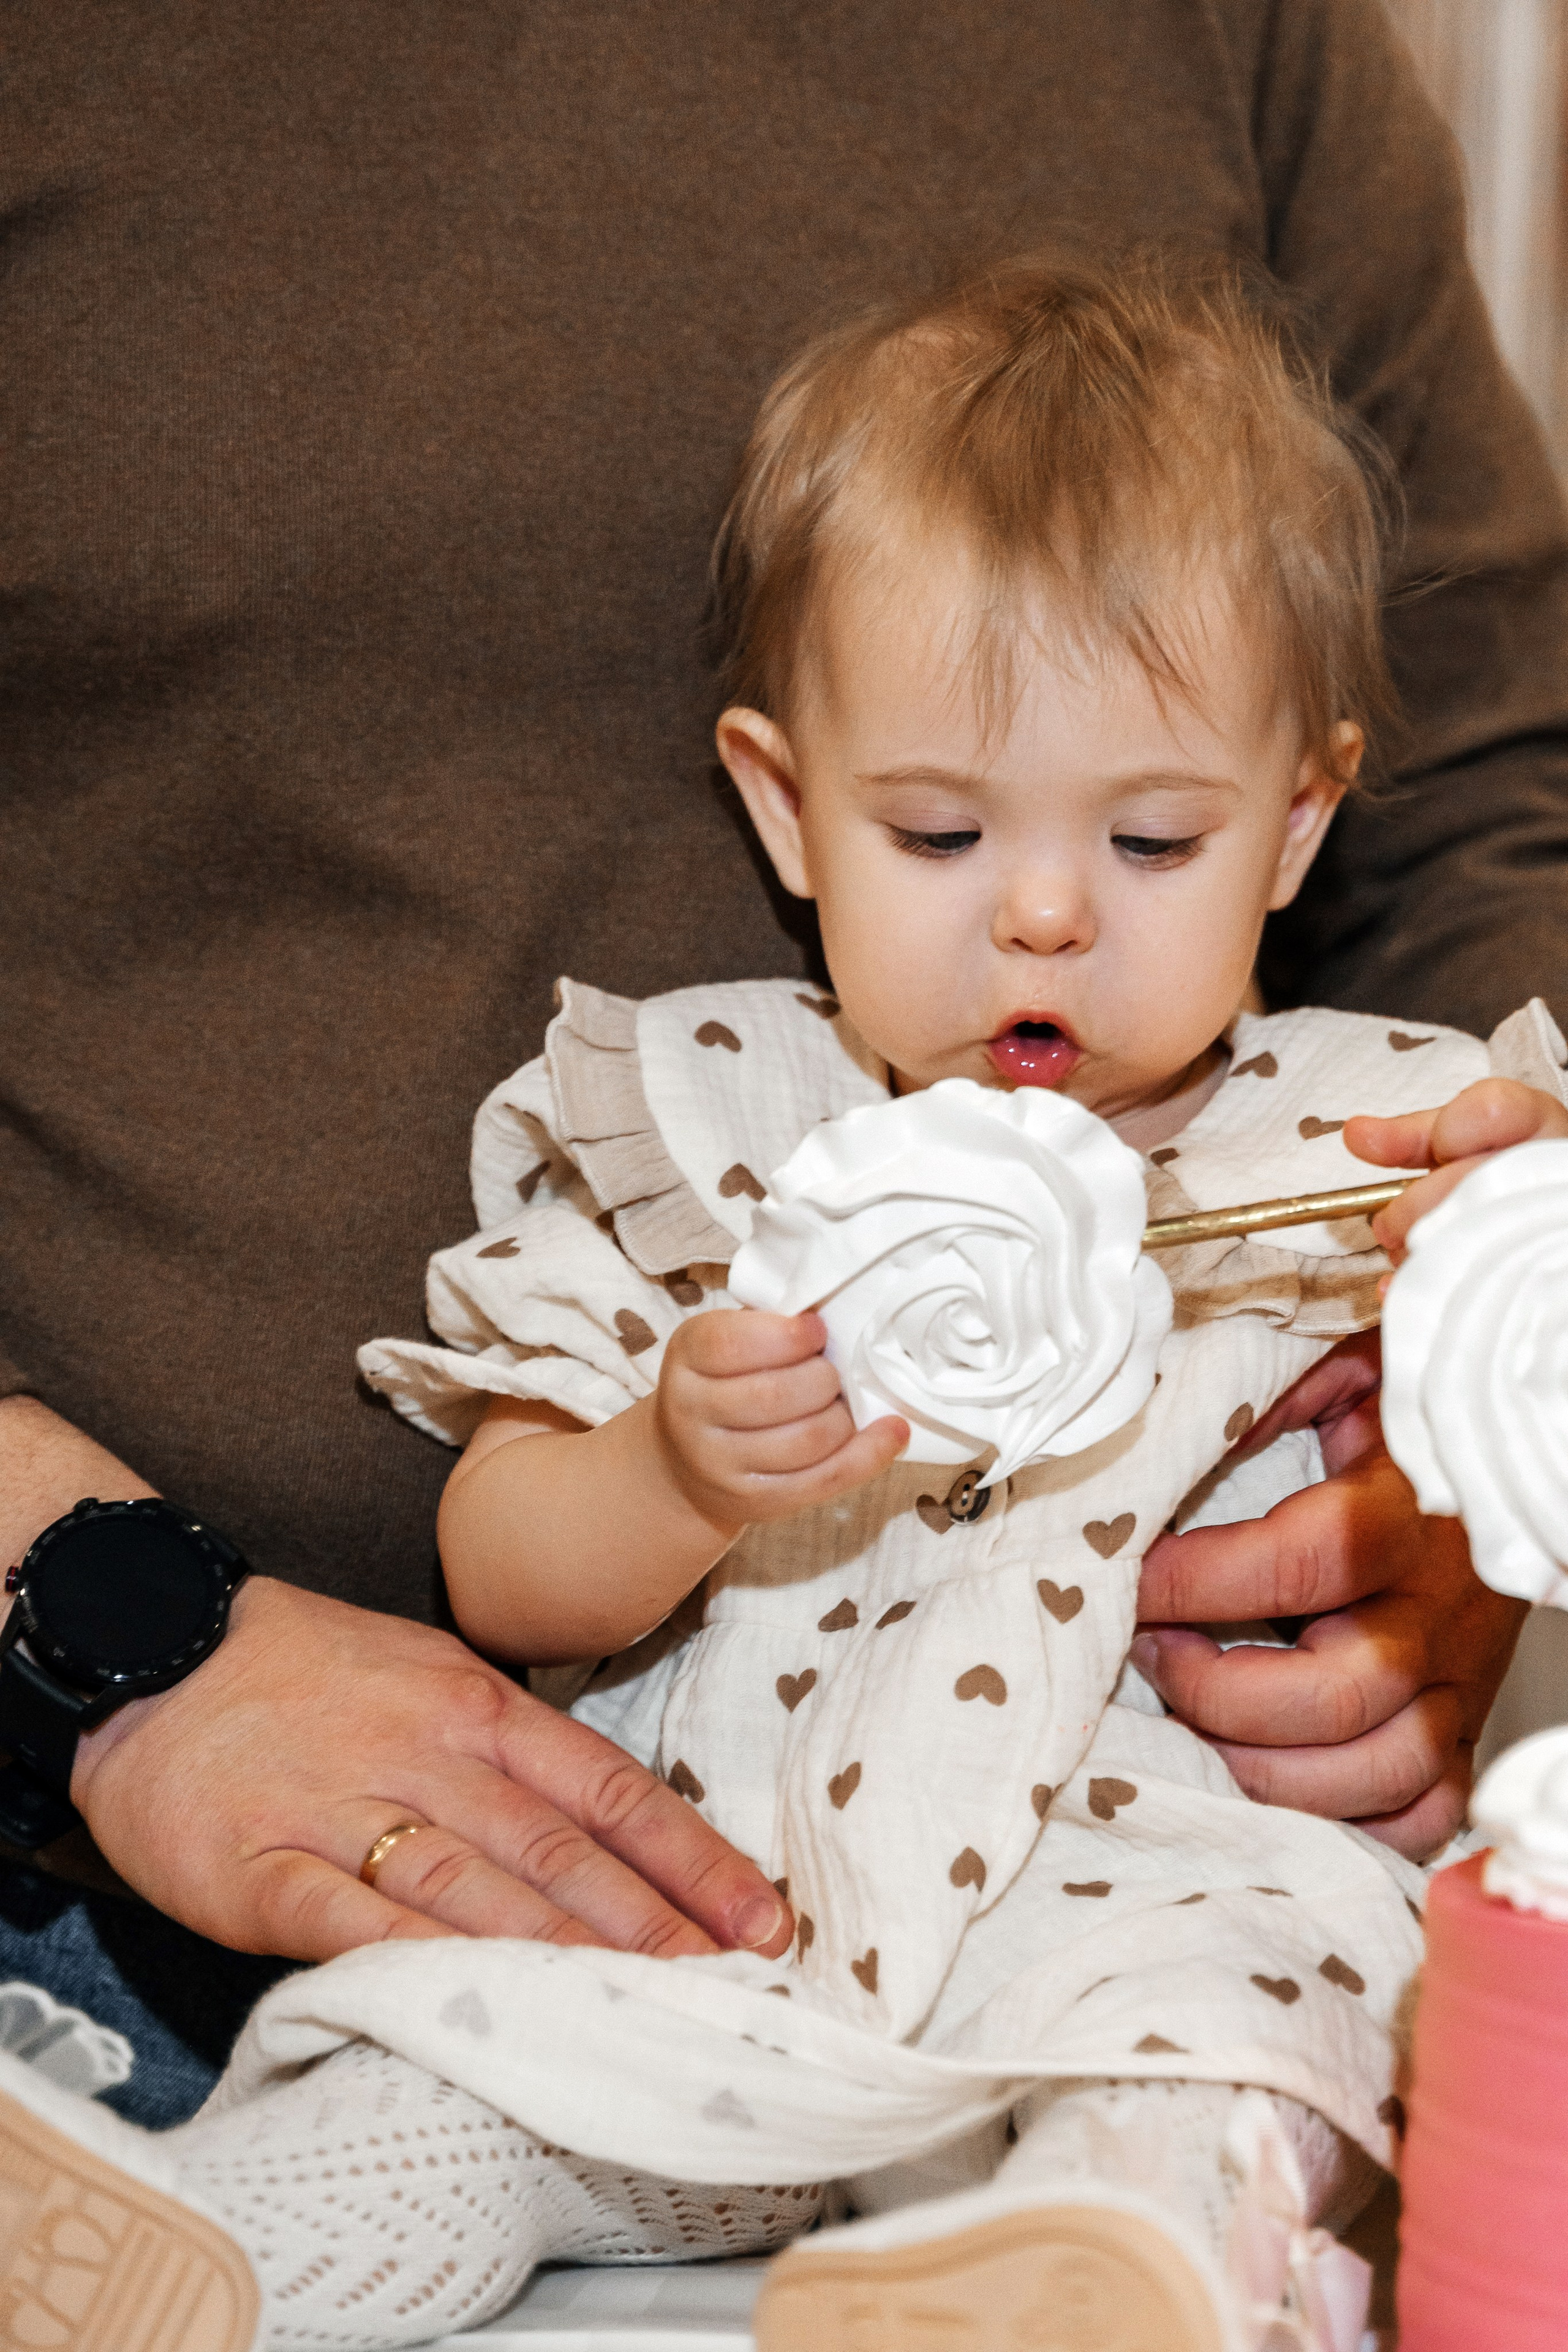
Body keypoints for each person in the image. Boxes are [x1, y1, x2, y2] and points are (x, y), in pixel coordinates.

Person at [0, 0, 1556, 2125]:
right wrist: (662, 1472)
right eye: (937, 831)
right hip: (463, 1903)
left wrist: (1490, 1434)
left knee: (1227, 2089)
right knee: (414, 2102)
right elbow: (508, 1540)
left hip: (1160, 1902)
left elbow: (1504, 796)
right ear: (779, 798)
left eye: (1158, 838)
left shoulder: (1358, 1133)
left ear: (1294, 820)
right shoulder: (688, 1124)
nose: (1041, 916)